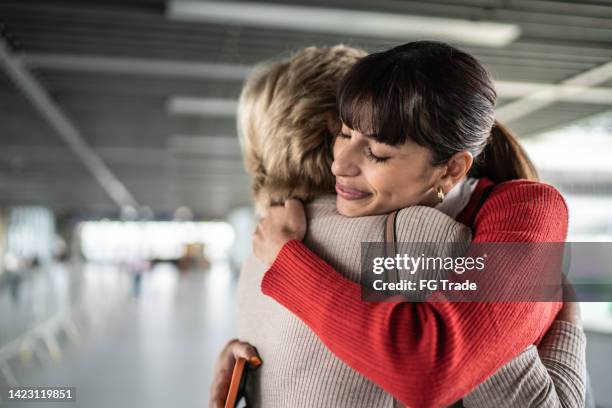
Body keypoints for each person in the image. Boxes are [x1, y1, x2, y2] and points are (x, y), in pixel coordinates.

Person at [210, 45, 587, 408]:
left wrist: (287, 261)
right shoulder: (373, 218)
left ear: (452, 169)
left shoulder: (525, 210)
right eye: (343, 134)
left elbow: (429, 368)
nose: (340, 164)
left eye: (377, 153)